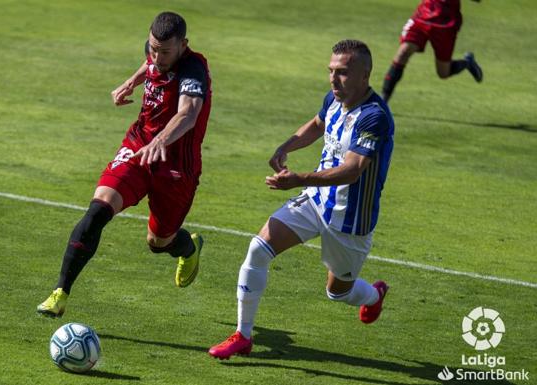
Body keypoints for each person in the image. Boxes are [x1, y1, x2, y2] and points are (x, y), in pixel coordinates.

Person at [209, 40, 393, 359]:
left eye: (343, 73)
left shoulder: (373, 117)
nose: (334, 79)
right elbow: (318, 124)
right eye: (331, 71)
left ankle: (372, 297)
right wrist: (286, 146)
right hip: (314, 201)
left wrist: (299, 178)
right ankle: (243, 335)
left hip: (350, 219)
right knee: (257, 249)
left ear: (365, 75)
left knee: (338, 293)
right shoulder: (334, 100)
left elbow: (352, 171)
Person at [37, 11, 211, 318]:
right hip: (138, 145)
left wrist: (162, 141)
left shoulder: (194, 68)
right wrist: (131, 81)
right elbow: (150, 65)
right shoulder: (155, 52)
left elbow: (189, 113)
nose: (157, 57)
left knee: (159, 242)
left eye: (165, 52)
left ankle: (188, 248)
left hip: (176, 166)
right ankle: (60, 293)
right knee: (99, 208)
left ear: (184, 45)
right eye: (153, 48)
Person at [382, 0, 483, 102]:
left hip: (446, 22)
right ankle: (382, 102)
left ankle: (467, 63)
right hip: (423, 15)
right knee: (403, 52)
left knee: (443, 73)